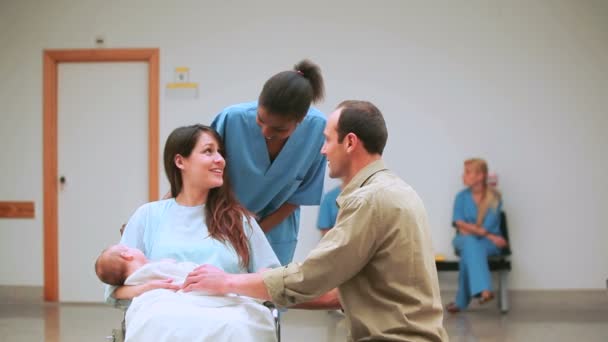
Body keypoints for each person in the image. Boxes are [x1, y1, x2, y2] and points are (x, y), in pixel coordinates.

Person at [182, 101, 448, 341]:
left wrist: (229, 282)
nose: (322, 150)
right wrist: (252, 290)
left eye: (328, 140)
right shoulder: (398, 190)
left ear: (350, 142)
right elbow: (342, 294)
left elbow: (311, 277)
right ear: (179, 162)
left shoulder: (368, 200)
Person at [105, 124, 280, 303]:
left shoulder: (238, 219)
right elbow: (114, 291)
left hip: (228, 318)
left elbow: (273, 281)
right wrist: (149, 288)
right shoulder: (148, 216)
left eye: (220, 152)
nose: (220, 159)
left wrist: (229, 282)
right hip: (164, 317)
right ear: (180, 162)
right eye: (208, 151)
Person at [211, 59, 326, 265]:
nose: (266, 132)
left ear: (301, 120)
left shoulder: (317, 130)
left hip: (276, 230)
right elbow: (204, 172)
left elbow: (300, 194)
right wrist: (236, 224)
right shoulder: (232, 119)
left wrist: (255, 233)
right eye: (260, 120)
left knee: (269, 292)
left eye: (280, 129)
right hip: (225, 222)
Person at [446, 158, 507, 313]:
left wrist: (470, 229)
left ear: (480, 176)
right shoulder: (461, 197)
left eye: (467, 172)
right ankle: (484, 289)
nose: (463, 176)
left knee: (470, 247)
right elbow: (458, 223)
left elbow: (482, 228)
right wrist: (488, 235)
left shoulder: (494, 198)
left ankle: (461, 302)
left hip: (487, 244)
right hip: (472, 240)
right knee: (470, 243)